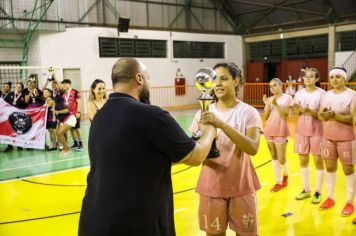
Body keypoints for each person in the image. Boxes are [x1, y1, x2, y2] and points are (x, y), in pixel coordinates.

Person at [78, 58, 217, 236]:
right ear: (139, 78)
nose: (149, 84)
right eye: (148, 79)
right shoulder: (151, 115)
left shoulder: (99, 117)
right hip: (136, 225)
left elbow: (137, 158)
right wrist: (210, 130)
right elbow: (196, 156)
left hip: (93, 222)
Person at [189, 62, 262, 236]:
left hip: (241, 185)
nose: (218, 84)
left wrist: (221, 124)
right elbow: (196, 149)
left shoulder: (249, 112)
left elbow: (252, 148)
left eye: (224, 78)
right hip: (212, 186)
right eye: (215, 80)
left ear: (236, 81)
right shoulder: (203, 113)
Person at [318, 67, 356, 216]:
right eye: (332, 76)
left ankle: (349, 202)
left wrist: (333, 116)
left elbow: (353, 119)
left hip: (346, 138)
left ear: (345, 79)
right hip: (327, 137)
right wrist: (324, 115)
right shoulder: (326, 95)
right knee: (330, 168)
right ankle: (330, 197)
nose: (334, 79)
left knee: (348, 170)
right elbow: (321, 116)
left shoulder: (352, 95)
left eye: (338, 76)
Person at [292, 68, 325, 203]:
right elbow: (295, 112)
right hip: (301, 130)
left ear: (317, 79)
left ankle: (318, 191)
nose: (308, 79)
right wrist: (297, 110)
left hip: (317, 130)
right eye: (306, 77)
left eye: (311, 77)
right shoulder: (298, 93)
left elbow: (323, 116)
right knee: (303, 160)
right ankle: (306, 190)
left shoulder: (322, 94)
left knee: (318, 161)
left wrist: (310, 111)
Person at [263, 78, 293, 192]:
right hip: (269, 129)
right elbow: (265, 117)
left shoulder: (288, 98)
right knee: (273, 157)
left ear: (281, 85)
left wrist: (275, 104)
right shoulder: (270, 99)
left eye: (275, 85)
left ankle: (285, 175)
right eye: (270, 86)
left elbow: (285, 116)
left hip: (281, 130)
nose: (272, 88)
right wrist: (267, 105)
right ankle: (278, 182)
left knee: (281, 159)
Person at [61, 79, 83, 150]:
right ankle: (75, 143)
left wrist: (78, 112)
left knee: (76, 129)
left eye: (65, 84)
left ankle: (80, 144)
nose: (64, 85)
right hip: (68, 115)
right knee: (71, 129)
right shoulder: (63, 94)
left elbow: (79, 102)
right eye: (63, 84)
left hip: (75, 114)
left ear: (69, 84)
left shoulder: (75, 92)